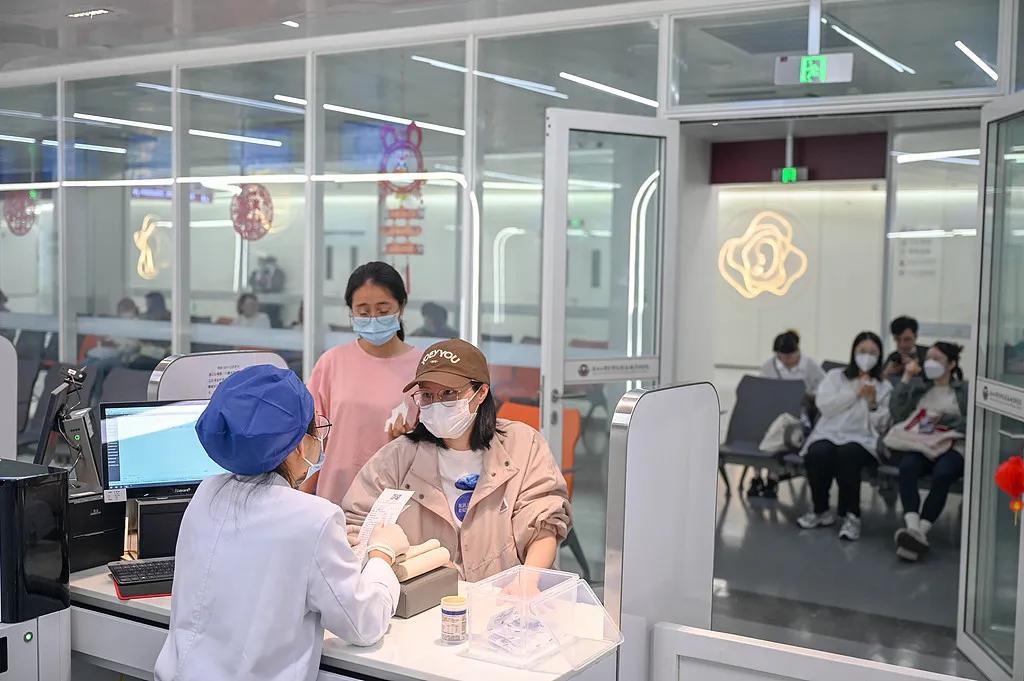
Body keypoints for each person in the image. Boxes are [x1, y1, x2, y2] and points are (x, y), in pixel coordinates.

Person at [154, 365, 407, 681]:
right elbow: (363, 624)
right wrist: (381, 555)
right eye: (317, 431)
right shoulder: (314, 518)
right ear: (298, 445)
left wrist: (327, 546)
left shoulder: (207, 492)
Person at [344, 339, 572, 582]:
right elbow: (356, 528)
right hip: (424, 598)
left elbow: (544, 519)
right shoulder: (396, 458)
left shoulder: (523, 444)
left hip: (504, 594)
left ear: (481, 393)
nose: (437, 404)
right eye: (427, 395)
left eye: (449, 393)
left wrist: (526, 582)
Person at [307, 262, 422, 502]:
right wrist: (303, 496)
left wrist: (411, 439)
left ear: (401, 307)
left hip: (394, 498)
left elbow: (438, 443)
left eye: (383, 310)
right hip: (334, 496)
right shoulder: (332, 362)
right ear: (351, 312)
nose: (373, 319)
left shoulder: (422, 368)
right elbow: (310, 439)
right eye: (363, 311)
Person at [796, 331, 892, 542]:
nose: (867, 357)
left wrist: (872, 403)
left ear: (879, 357)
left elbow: (882, 425)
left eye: (873, 353)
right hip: (829, 433)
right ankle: (820, 510)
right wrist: (855, 393)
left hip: (862, 439)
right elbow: (826, 406)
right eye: (862, 351)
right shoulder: (835, 377)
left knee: (847, 454)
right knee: (817, 452)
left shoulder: (884, 386)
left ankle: (852, 515)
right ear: (853, 352)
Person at [889, 342, 968, 562]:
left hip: (953, 446)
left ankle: (920, 532)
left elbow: (973, 421)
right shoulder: (920, 388)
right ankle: (913, 528)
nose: (930, 363)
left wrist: (944, 419)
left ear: (951, 364)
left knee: (943, 473)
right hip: (923, 444)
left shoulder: (964, 390)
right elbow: (897, 412)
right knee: (908, 467)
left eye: (937, 359)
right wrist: (906, 377)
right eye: (928, 359)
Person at [753, 330, 825, 498]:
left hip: (798, 416)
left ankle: (773, 477)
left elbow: (825, 389)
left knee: (780, 432)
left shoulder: (810, 366)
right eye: (781, 356)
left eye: (789, 356)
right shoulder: (769, 366)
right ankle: (757, 477)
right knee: (759, 428)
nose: (785, 360)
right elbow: (761, 390)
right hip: (772, 412)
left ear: (797, 351)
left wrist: (809, 396)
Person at [883, 316, 929, 381]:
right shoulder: (892, 357)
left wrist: (919, 371)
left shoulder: (928, 354)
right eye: (898, 339)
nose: (902, 345)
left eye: (907, 339)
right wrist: (887, 373)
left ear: (916, 336)